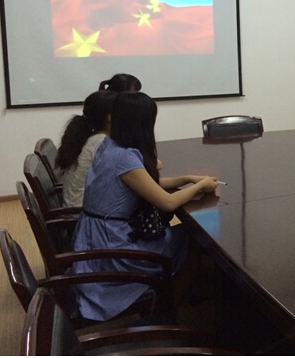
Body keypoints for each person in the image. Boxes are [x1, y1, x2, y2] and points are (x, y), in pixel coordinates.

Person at [72, 92, 219, 321]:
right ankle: (165, 315)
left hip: (95, 236)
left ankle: (189, 292)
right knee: (191, 237)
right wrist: (201, 185)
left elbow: (146, 184)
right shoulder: (124, 157)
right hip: (113, 247)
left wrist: (187, 179)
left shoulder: (108, 146)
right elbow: (168, 202)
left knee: (181, 230)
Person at [55, 90, 117, 207]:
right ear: (110, 117)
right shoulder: (101, 143)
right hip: (82, 212)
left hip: (76, 206)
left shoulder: (90, 138)